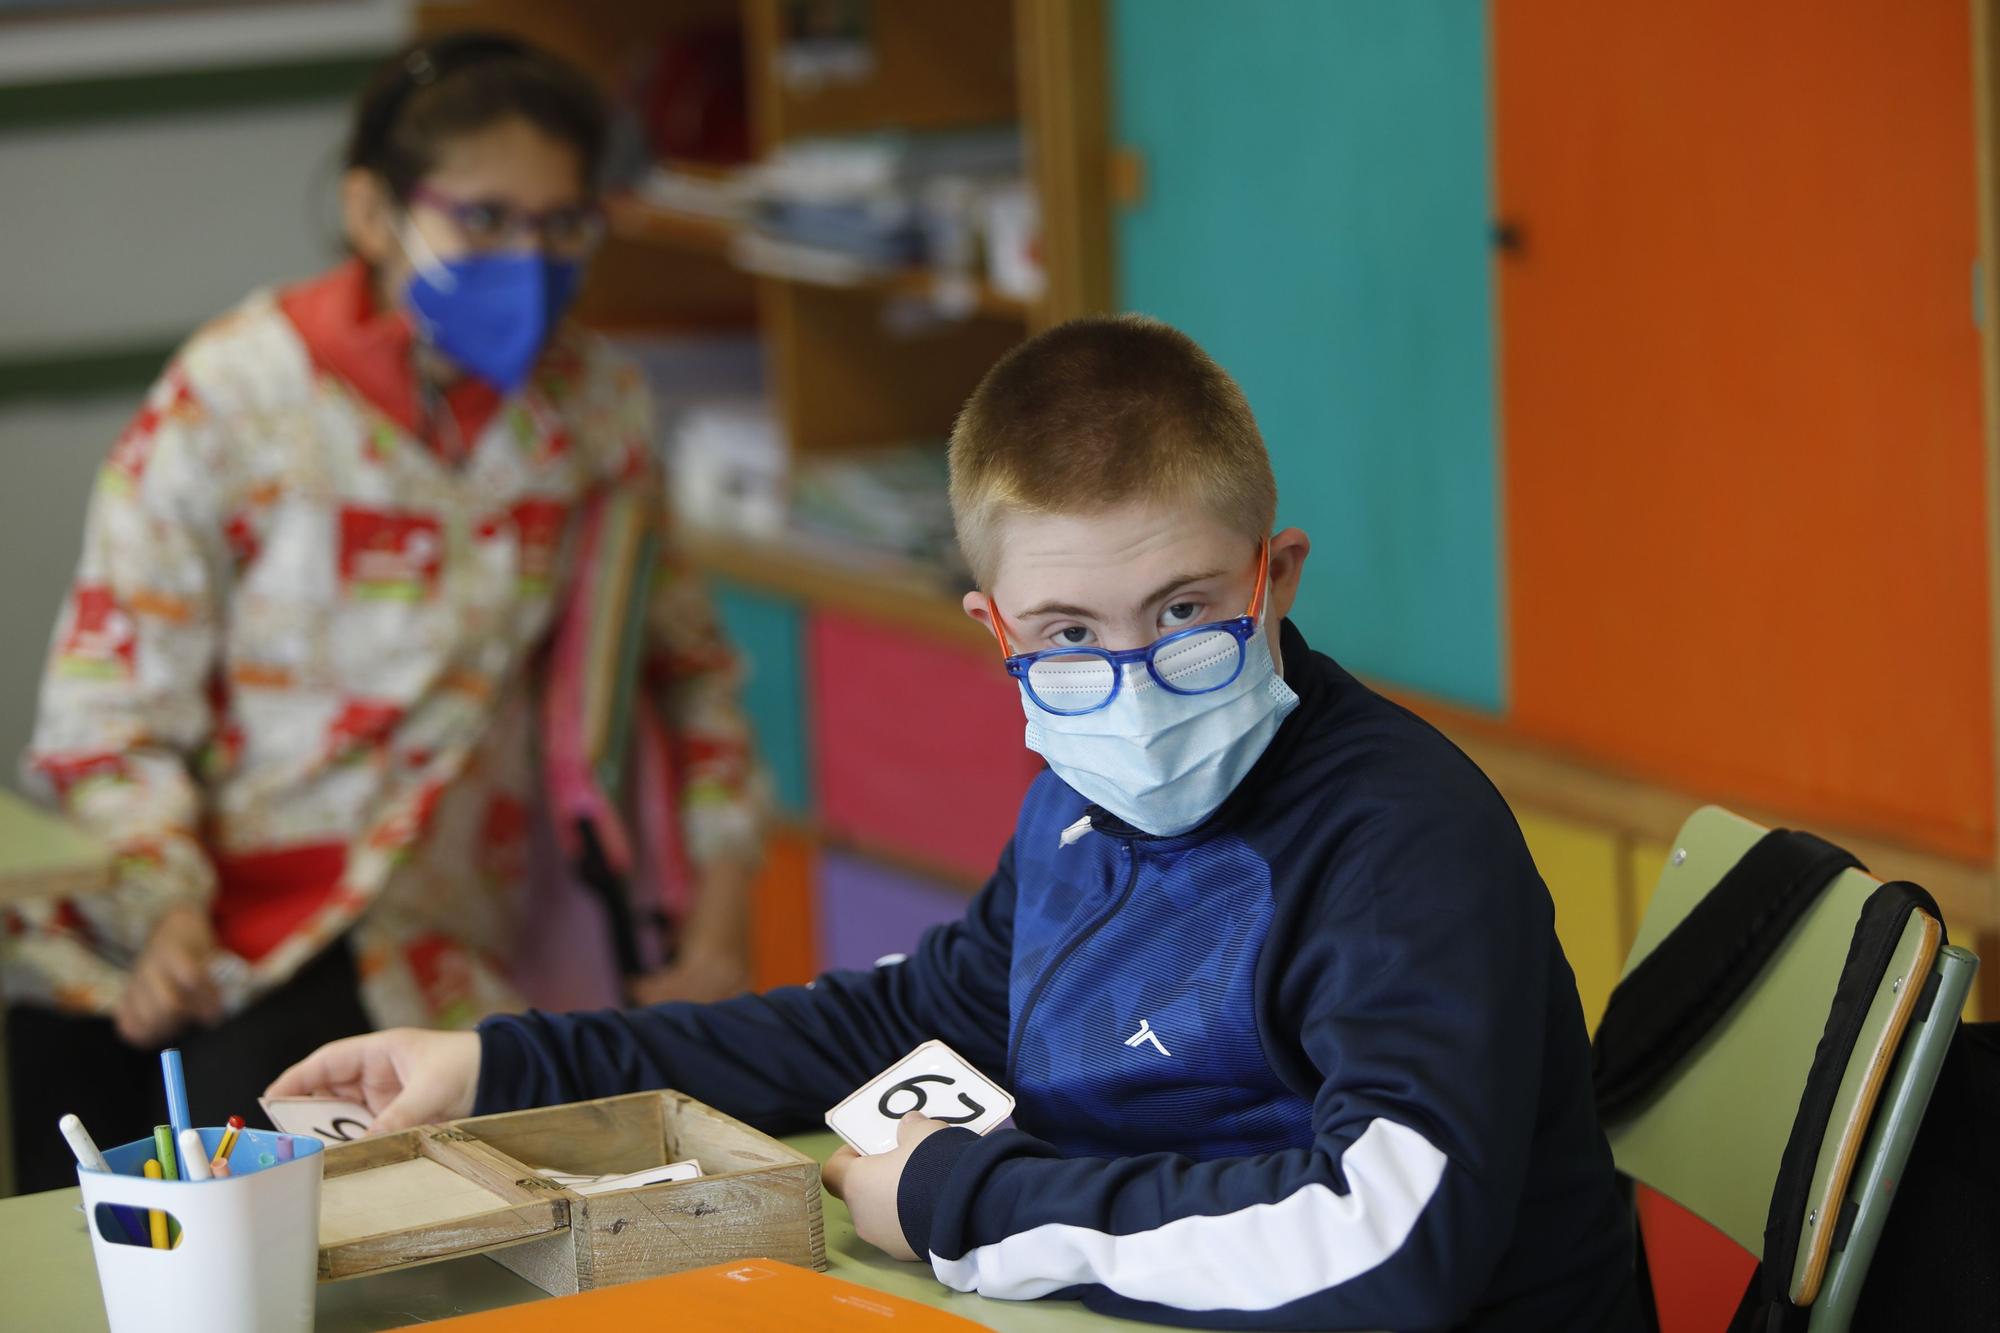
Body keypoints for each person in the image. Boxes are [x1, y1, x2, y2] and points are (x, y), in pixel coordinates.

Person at [270, 317, 1641, 1330]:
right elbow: (887, 1029)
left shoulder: (1399, 844)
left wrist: (960, 1203)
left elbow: (1391, 1242)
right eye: (1069, 633)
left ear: (1272, 578)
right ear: (998, 635)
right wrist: (497, 1071)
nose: (1138, 681)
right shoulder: (1079, 805)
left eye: (1185, 612)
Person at [4, 33, 764, 1194]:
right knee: (216, 1204)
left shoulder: (591, 410)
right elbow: (107, 712)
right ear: (372, 212)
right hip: (210, 928)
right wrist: (166, 911)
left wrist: (717, 925)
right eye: (485, 219)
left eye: (564, 224)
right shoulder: (234, 396)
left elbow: (692, 673)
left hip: (445, 937)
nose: (532, 258)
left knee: (520, 1200)